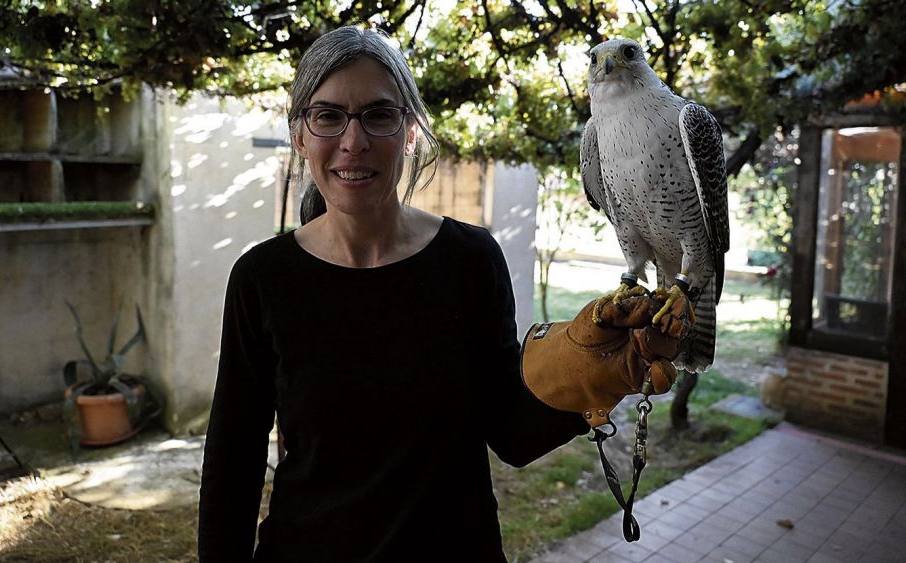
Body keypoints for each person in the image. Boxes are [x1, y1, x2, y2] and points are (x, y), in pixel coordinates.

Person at [198, 26, 684, 562]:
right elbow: (234, 462)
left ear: (409, 132)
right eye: (328, 115)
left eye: (378, 115)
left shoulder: (470, 260)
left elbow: (512, 436)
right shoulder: (262, 278)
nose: (352, 141)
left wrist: (597, 382)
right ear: (300, 136)